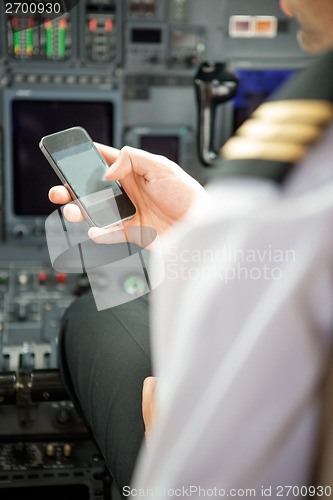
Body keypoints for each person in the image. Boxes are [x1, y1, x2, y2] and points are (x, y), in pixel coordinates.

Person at [49, 0, 333, 497]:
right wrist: (196, 229)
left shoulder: (297, 177)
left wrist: (167, 436)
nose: (286, 4)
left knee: (94, 312)